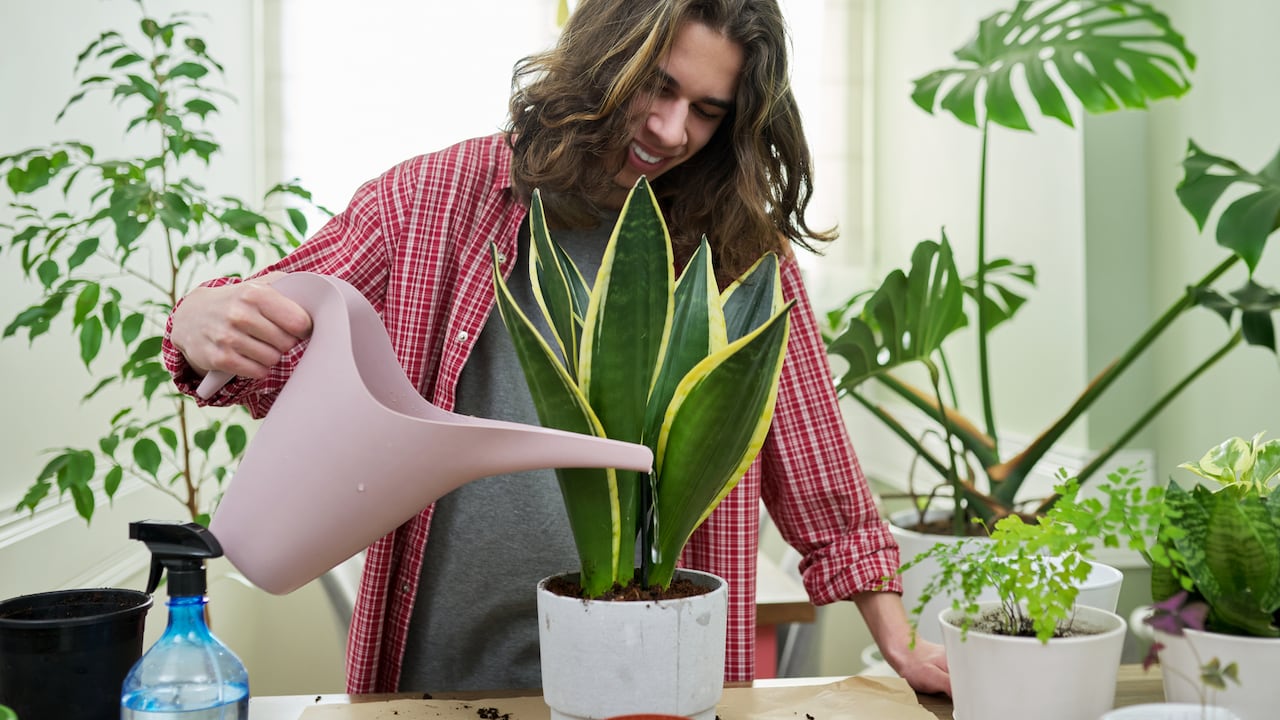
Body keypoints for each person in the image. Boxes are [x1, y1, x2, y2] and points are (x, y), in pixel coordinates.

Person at [164, 0, 950, 698]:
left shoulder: (740, 252)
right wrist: (200, 319)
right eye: (659, 86)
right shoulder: (433, 199)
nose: (673, 132)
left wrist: (900, 640)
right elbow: (268, 330)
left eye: (708, 111)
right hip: (443, 668)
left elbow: (820, 471)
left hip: (654, 668)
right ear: (602, 58)